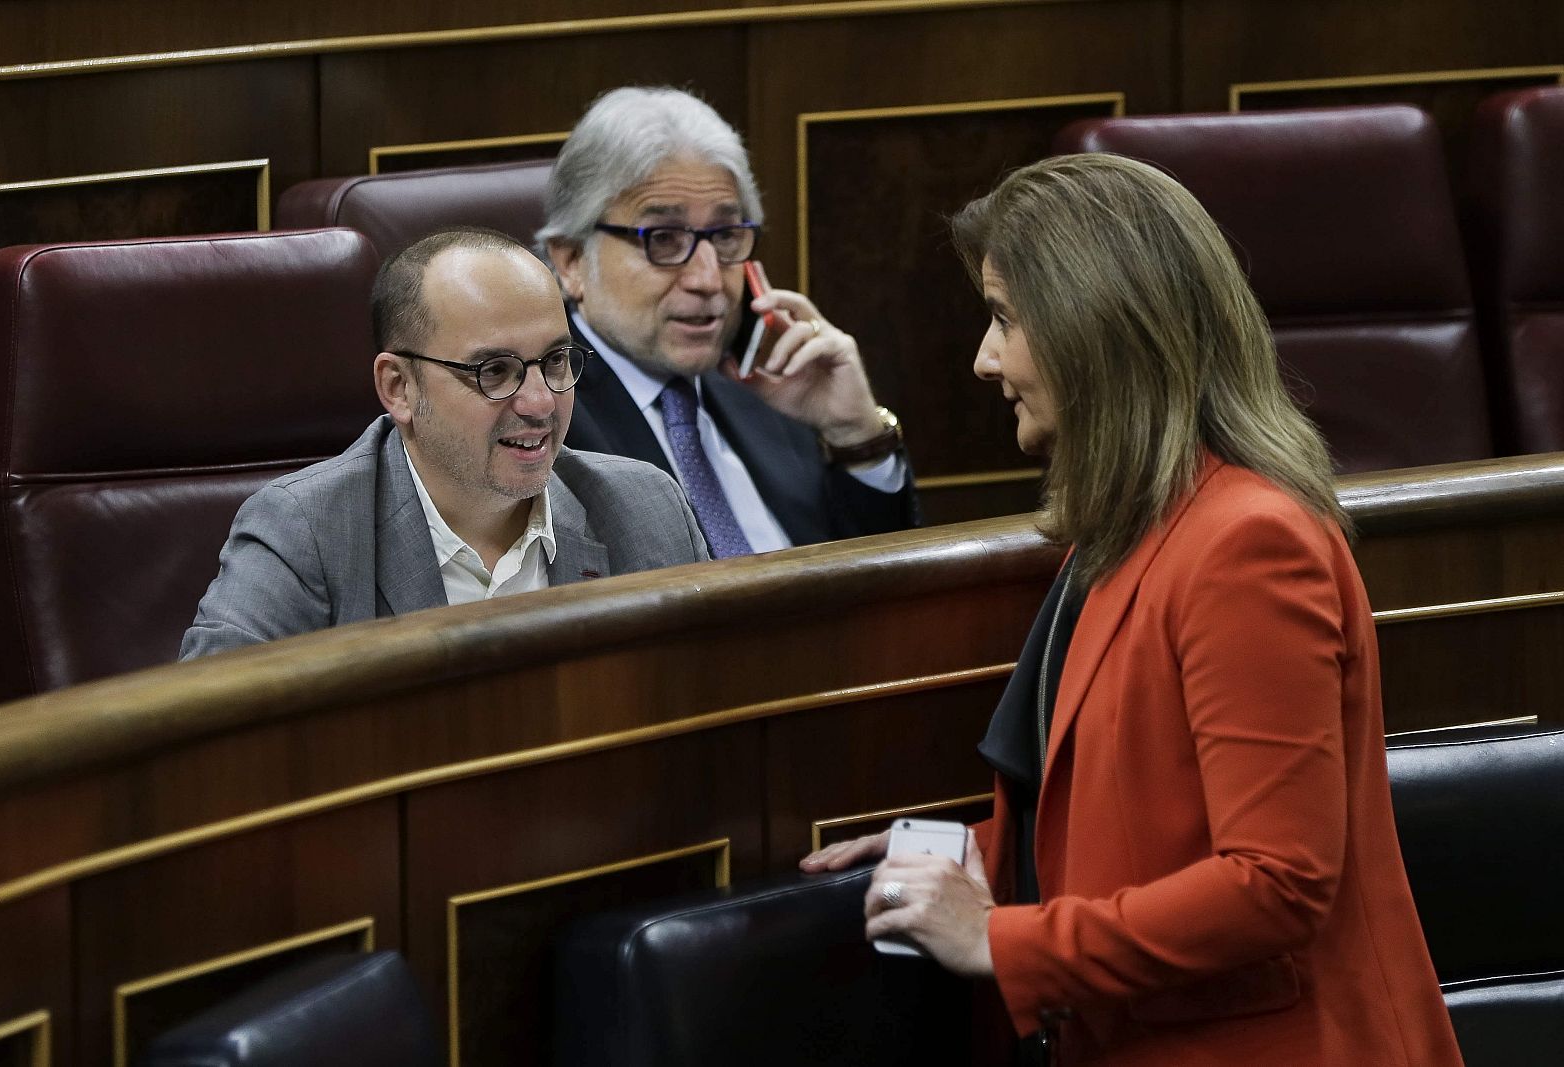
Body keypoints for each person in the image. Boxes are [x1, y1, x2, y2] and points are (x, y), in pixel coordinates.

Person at [801, 155, 1463, 1065]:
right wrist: (977, 854)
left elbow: (1275, 882)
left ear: (1092, 331)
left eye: (1003, 319)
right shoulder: (1132, 522)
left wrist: (995, 937)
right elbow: (1142, 805)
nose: (984, 359)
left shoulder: (1247, 543)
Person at [181, 227, 708, 658]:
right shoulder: (307, 536)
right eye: (494, 371)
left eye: (555, 362)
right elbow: (207, 736)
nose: (540, 402)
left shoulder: (646, 510)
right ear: (399, 388)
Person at [538, 86, 918, 557]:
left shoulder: (773, 382)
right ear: (572, 260)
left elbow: (879, 582)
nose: (708, 279)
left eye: (724, 236)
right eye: (663, 238)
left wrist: (856, 438)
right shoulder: (545, 417)